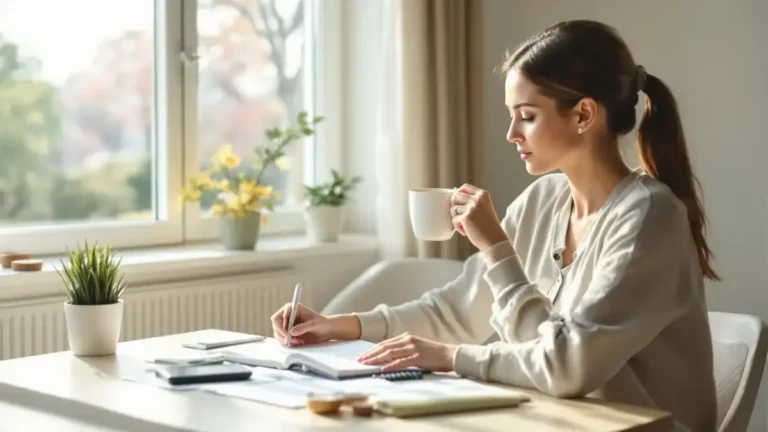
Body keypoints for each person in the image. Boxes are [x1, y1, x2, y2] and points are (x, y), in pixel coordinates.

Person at [271, 20, 717, 432]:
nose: (511, 133)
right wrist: (340, 326)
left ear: (583, 115)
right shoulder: (544, 200)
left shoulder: (648, 218)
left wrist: (491, 260)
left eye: (526, 115)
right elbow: (459, 311)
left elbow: (566, 367)